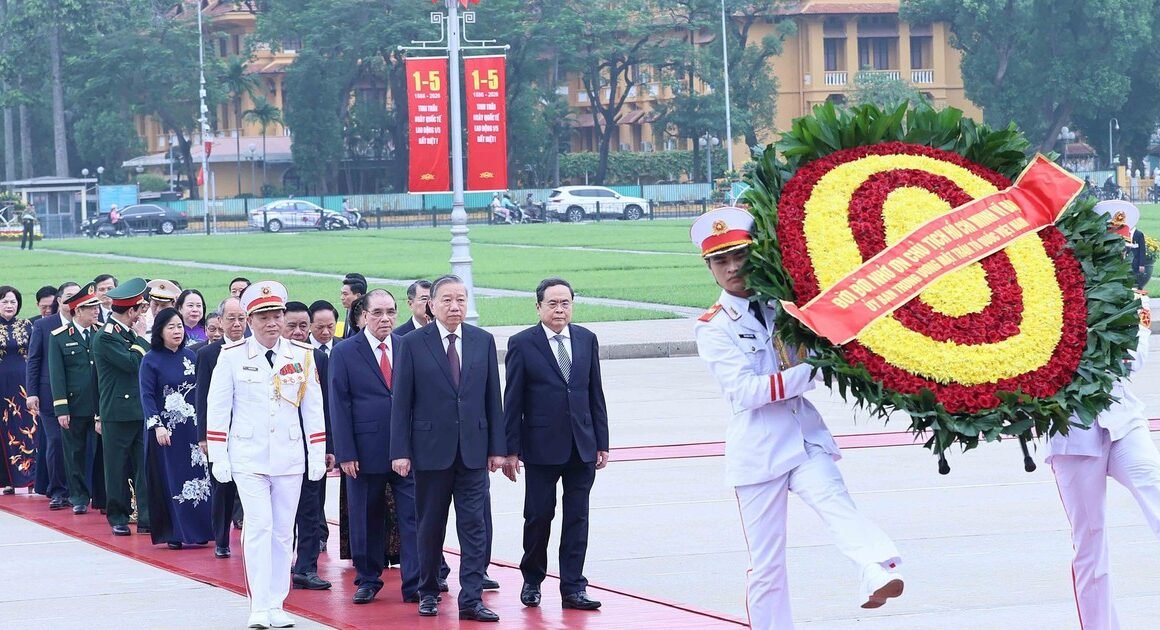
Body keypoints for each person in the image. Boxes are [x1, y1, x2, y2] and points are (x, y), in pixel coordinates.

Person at [690, 207, 904, 629]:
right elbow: (745, 392)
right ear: (710, 268)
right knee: (768, 565)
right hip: (759, 450)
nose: (733, 267)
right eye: (721, 260)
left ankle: (876, 568)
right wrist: (812, 370)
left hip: (804, 438)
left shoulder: (782, 306)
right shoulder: (713, 327)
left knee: (837, 503)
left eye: (739, 255)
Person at [206, 281, 325, 630]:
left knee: (283, 531)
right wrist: (218, 455)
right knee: (258, 527)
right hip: (248, 454)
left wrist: (316, 451)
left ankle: (276, 601)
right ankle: (258, 604)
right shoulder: (232, 356)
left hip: (289, 455)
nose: (272, 323)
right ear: (250, 320)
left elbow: (313, 409)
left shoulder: (302, 355)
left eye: (276, 315)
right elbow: (218, 408)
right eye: (263, 317)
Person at [390, 274, 505, 622]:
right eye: (447, 300)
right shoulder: (411, 343)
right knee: (430, 526)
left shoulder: (482, 341)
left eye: (461, 299)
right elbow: (402, 403)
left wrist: (497, 447)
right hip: (430, 452)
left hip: (473, 451)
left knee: (475, 528)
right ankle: (428, 591)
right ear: (432, 305)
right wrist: (400, 450)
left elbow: (492, 399)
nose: (455, 306)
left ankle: (470, 599)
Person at [1047, 296, 1158, 629]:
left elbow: (1131, 360)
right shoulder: (1051, 294)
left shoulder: (1134, 298)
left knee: (1155, 485)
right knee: (1090, 542)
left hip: (1124, 421)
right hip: (1073, 435)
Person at [502, 277, 609, 611]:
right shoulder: (522, 343)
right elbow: (513, 400)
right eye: (553, 303)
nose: (560, 309)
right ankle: (532, 581)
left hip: (582, 445)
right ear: (538, 307)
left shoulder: (587, 339)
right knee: (538, 517)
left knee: (578, 518)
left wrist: (602, 442)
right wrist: (510, 450)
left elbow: (595, 394)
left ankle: (573, 587)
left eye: (565, 303)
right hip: (540, 447)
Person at [331, 289, 420, 605]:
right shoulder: (344, 352)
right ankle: (368, 579)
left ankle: (415, 583)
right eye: (378, 313)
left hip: (406, 452)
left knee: (413, 517)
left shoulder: (408, 346)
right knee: (365, 517)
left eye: (390, 312)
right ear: (364, 316)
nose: (385, 319)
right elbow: (338, 405)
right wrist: (346, 452)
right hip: (363, 452)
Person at [139, 307, 212, 549]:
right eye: (170, 327)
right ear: (159, 331)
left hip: (191, 430)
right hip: (167, 432)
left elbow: (201, 393)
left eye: (179, 326)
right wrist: (157, 426)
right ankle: (174, 533)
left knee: (198, 478)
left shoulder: (191, 357)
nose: (177, 331)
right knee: (172, 478)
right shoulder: (150, 360)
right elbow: (147, 396)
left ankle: (201, 530)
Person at [92, 278, 153, 536]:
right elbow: (131, 363)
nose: (141, 315)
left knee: (144, 466)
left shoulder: (126, 334)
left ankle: (147, 517)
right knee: (116, 467)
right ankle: (118, 515)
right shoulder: (105, 337)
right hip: (116, 413)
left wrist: (138, 339)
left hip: (139, 410)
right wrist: (141, 338)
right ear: (131, 311)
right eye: (140, 310)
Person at [283, 300, 334, 592]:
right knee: (281, 513)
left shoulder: (318, 358)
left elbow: (328, 407)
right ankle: (279, 565)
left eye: (304, 326)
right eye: (293, 325)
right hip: (278, 449)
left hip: (311, 447)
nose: (299, 331)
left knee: (311, 510)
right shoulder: (270, 358)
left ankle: (306, 567)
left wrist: (330, 446)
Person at [195, 296, 248, 559]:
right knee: (222, 486)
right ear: (220, 321)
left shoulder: (254, 348)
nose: (237, 324)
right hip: (220, 432)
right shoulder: (208, 354)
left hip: (249, 431)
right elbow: (202, 397)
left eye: (241, 319)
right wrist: (204, 436)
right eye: (231, 319)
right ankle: (221, 538)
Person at [48, 283, 103, 514]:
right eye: (91, 308)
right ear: (77, 311)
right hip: (74, 404)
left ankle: (102, 496)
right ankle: (79, 496)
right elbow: (57, 375)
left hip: (100, 404)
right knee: (75, 453)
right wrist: (62, 409)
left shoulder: (102, 333)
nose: (96, 311)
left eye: (97, 307)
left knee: (102, 453)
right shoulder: (59, 337)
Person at [28, 282, 79, 510]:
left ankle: (77, 490)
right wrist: (32, 393)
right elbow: (34, 360)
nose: (72, 300)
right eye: (68, 296)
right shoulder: (43, 325)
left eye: (77, 296)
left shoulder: (86, 324)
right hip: (49, 394)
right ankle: (57, 490)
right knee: (56, 441)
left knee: (77, 443)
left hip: (78, 395)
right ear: (59, 300)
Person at [0, 286, 35, 494]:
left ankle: (29, 477)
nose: (9, 305)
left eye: (13, 302)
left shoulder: (28, 325)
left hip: (23, 383)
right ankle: (6, 479)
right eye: (4, 301)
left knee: (24, 427)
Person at [340, 273, 367, 339]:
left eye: (345, 294)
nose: (342, 297)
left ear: (358, 296)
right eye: (341, 294)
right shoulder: (349, 309)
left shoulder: (364, 316)